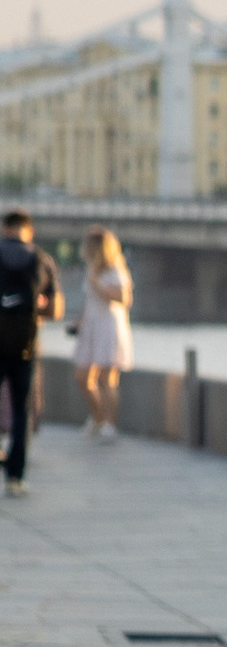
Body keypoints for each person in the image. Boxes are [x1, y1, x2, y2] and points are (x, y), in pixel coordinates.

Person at [0, 210, 64, 496]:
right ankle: (15, 478)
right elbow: (56, 310)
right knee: (22, 410)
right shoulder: (41, 259)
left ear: (5, 229)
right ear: (29, 230)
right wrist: (33, 309)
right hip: (27, 347)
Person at [72, 227, 133, 439]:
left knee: (108, 377)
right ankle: (98, 418)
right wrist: (79, 322)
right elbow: (89, 301)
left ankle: (109, 424)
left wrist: (98, 285)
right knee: (83, 375)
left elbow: (124, 299)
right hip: (91, 326)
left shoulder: (115, 270)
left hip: (108, 326)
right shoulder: (91, 269)